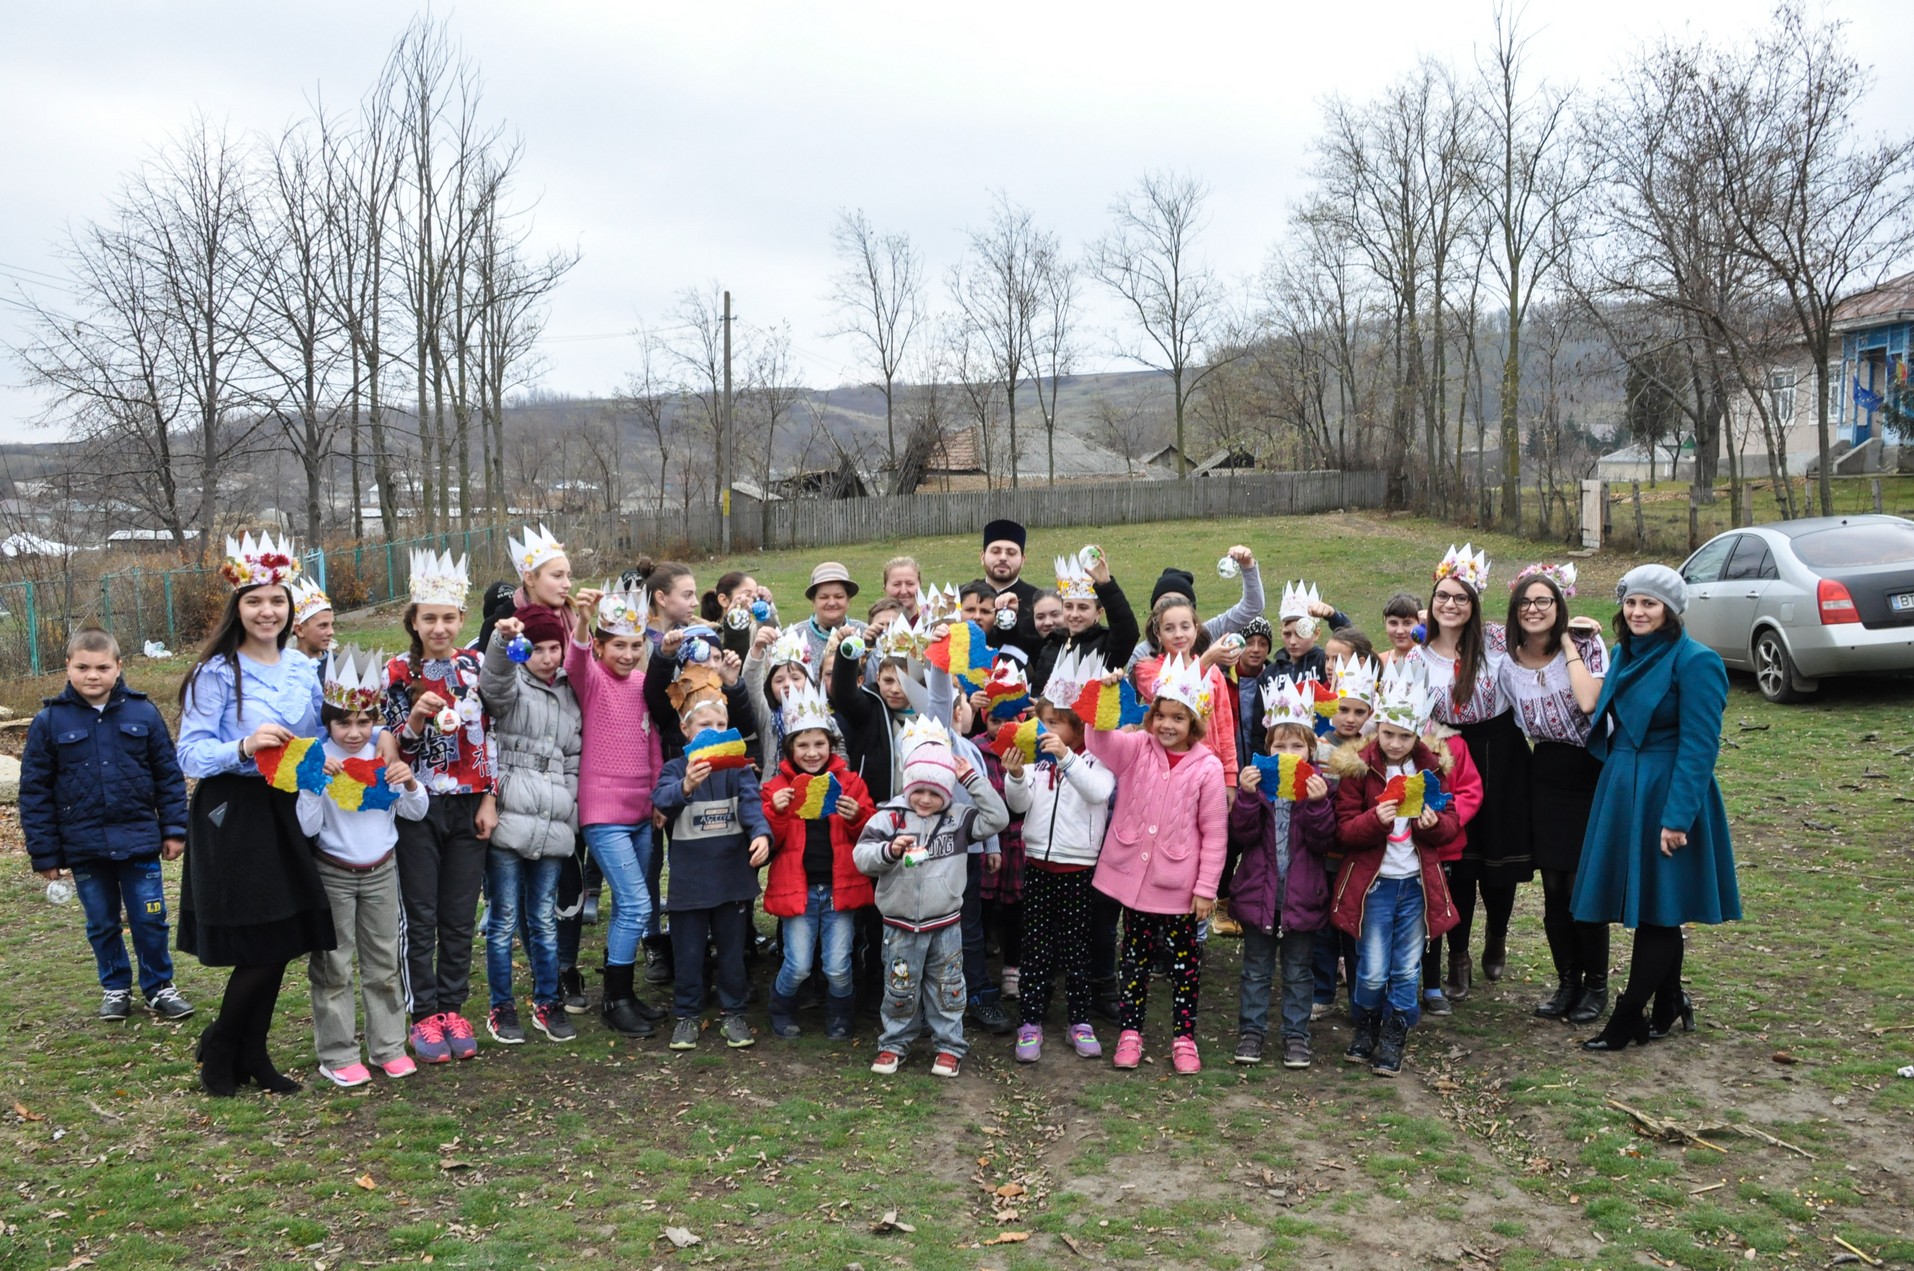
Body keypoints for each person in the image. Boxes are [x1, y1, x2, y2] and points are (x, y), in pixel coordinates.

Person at [176, 534, 338, 1097]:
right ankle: (224, 1049)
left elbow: (319, 737)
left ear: (290, 607)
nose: (266, 611)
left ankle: (249, 1051)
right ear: (237, 608)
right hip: (234, 812)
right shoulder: (217, 672)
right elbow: (190, 753)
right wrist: (243, 747)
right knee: (261, 940)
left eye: (276, 600)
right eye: (254, 601)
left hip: (288, 804)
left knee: (284, 936)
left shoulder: (302, 666)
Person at [1575, 565, 1738, 1051]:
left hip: (1666, 791)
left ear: (1671, 610)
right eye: (1631, 602)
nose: (1638, 611)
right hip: (1624, 786)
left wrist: (1676, 818)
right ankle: (1669, 999)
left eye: (1650, 603)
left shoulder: (1696, 662)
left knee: (1659, 912)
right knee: (1649, 903)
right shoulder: (1624, 653)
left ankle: (1627, 1017)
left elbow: (1700, 745)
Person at [22, 627, 193, 1024]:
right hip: (84, 848)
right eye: (82, 667)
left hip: (138, 843)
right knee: (101, 922)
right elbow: (35, 793)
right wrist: (45, 853)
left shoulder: (143, 713)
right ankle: (115, 987)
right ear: (68, 667)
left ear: (119, 667)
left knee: (149, 918)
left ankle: (159, 987)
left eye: (102, 667)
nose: (92, 675)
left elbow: (168, 776)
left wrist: (174, 829)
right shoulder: (49, 722)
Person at [1328, 660, 1469, 1079]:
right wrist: (1377, 818)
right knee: (1371, 970)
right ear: (1377, 726)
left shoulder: (1431, 770)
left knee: (1406, 968)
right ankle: (1367, 1021)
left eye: (1404, 736)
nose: (1394, 742)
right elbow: (1345, 832)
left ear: (1417, 733)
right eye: (1388, 733)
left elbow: (1450, 823)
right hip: (1375, 886)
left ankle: (1394, 1032)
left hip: (1415, 885)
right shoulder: (1359, 768)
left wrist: (1433, 823)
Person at [1088, 655, 1228, 1075]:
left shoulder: (1207, 767)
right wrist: (1108, 694)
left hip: (1180, 887)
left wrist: (1206, 888)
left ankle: (1183, 1036)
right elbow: (1098, 740)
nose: (1167, 725)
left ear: (1194, 723)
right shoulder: (1136, 749)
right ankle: (1130, 1033)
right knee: (1134, 960)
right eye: (1161, 716)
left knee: (1185, 966)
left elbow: (1215, 833)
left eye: (1178, 718)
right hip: (1136, 885)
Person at [384, 550, 498, 1064]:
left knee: (458, 913)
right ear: (413, 620)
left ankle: (453, 1006)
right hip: (419, 808)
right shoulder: (395, 672)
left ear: (461, 619)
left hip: (469, 805)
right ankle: (423, 1013)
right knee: (421, 913)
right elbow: (391, 751)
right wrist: (413, 721)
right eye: (428, 617)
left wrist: (490, 797)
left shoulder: (475, 667)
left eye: (448, 617)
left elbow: (491, 737)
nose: (439, 627)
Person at [299, 647, 429, 1087]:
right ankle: (336, 1053)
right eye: (343, 723)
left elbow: (415, 812)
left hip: (380, 871)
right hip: (333, 870)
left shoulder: (384, 750)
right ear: (329, 720)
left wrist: (409, 781)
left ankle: (388, 1045)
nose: (354, 732)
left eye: (363, 721)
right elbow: (307, 825)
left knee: (383, 963)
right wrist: (315, 783)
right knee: (333, 964)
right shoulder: (317, 755)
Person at [855, 719, 1011, 1079]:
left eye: (936, 792)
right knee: (899, 987)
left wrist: (971, 779)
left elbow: (998, 818)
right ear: (908, 784)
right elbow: (861, 857)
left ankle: (949, 1047)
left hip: (946, 925)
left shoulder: (960, 819)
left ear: (948, 792)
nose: (926, 799)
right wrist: (889, 851)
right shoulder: (888, 817)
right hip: (899, 925)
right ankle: (894, 1043)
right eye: (919, 790)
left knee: (948, 989)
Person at [1409, 545, 1530, 1002]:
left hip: (1498, 749)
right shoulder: (1420, 656)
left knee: (1496, 861)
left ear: (1474, 603)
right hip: (1445, 754)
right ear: (1433, 600)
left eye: (1461, 598)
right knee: (1457, 861)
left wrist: (1580, 628)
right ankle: (1457, 955)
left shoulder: (1496, 640)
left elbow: (1540, 634)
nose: (1451, 605)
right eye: (1443, 596)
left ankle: (1496, 935)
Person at [1497, 564, 1609, 1026]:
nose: (1534, 609)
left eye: (1544, 601)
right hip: (1544, 773)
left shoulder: (1586, 646)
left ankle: (1596, 987)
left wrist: (1567, 640)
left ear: (1559, 606)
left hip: (1588, 771)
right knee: (1553, 889)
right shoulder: (1508, 661)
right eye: (1526, 602)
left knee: (1583, 885)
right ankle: (1567, 981)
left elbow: (1588, 702)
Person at [566, 584, 669, 1036]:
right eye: (618, 646)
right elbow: (575, 661)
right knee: (634, 903)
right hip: (604, 811)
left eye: (634, 645)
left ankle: (624, 993)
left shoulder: (643, 684)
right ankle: (615, 998)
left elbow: (652, 746)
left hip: (641, 811)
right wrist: (584, 621)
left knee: (639, 904)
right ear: (602, 646)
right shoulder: (593, 680)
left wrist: (658, 798)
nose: (627, 654)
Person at [478, 610, 582, 1045]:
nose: (546, 657)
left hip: (554, 816)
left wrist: (570, 809)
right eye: (536, 648)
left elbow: (574, 756)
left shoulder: (569, 694)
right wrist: (503, 644)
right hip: (510, 810)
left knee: (543, 918)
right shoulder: (513, 683)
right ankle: (501, 1006)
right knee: (502, 920)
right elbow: (493, 683)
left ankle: (547, 1001)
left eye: (554, 648)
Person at [1003, 659, 1115, 1062]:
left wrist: (1066, 758)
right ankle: (1030, 1021)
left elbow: (1098, 792)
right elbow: (1020, 806)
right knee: (1034, 948)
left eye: (1056, 722)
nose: (1046, 730)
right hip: (1038, 864)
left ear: (1078, 724)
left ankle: (1079, 1020)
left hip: (1079, 868)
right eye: (1043, 721)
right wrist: (1016, 777)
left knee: (1075, 949)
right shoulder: (1036, 758)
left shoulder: (1096, 757)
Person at [651, 690, 773, 1051]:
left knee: (733, 954)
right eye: (706, 725)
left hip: (732, 883)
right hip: (689, 886)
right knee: (688, 953)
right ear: (686, 729)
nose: (716, 731)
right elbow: (661, 801)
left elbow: (753, 806)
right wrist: (687, 785)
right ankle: (687, 1015)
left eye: (722, 725)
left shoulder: (738, 770)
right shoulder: (674, 770)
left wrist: (762, 835)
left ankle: (733, 1013)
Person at [1230, 679, 1337, 1069]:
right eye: (1280, 746)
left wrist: (1318, 803)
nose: (1288, 753)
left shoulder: (1318, 787)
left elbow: (1323, 840)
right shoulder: (1257, 786)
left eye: (1297, 746)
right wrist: (1244, 797)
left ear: (1311, 750)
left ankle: (1296, 1036)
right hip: (1260, 897)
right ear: (1267, 749)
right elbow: (1241, 835)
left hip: (1302, 899)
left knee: (1298, 973)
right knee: (1256, 971)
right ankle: (1251, 1032)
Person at [759, 681, 874, 1040]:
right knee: (797, 965)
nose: (812, 753)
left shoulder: (851, 783)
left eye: (819, 744)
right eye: (803, 745)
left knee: (839, 966)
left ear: (831, 745)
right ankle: (780, 1005)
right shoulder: (777, 788)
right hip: (799, 891)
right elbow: (770, 844)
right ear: (790, 748)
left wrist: (857, 816)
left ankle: (840, 1014)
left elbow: (869, 836)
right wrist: (775, 814)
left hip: (840, 888)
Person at [1134, 594, 1242, 787]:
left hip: (1209, 767)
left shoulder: (1214, 673)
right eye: (1169, 628)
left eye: (1185, 627)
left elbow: (1225, 728)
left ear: (1196, 629)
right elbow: (1173, 693)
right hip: (1166, 766)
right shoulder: (1147, 669)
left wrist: (1230, 778)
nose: (1178, 635)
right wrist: (1206, 660)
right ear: (1158, 634)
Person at [1125, 545, 1265, 671]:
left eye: (1180, 603)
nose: (1172, 608)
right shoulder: (1142, 654)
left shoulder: (1208, 633)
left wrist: (1248, 567)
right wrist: (1209, 659)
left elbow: (1252, 606)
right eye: (1164, 604)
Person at [1266, 581, 1350, 684]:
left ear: (1316, 633)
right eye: (1287, 634)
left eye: (1300, 633)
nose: (1292, 641)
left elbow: (1353, 643)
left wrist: (1333, 616)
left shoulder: (1326, 664)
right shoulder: (1269, 674)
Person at [980, 519, 1042, 659]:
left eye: (1011, 553)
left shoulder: (1037, 600)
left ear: (1023, 559)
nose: (1002, 558)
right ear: (982, 557)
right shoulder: (965, 596)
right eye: (995, 551)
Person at [797, 562, 861, 670]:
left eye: (839, 596)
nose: (831, 603)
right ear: (814, 600)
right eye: (824, 597)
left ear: (848, 599)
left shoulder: (863, 633)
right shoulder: (796, 636)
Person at [286, 580, 335, 661]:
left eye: (332, 625)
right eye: (323, 625)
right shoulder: (286, 668)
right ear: (300, 630)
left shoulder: (338, 665)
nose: (331, 632)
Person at [1379, 593, 1422, 666]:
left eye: (1407, 623)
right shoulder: (1378, 662)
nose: (1400, 631)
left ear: (1420, 624)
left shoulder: (1430, 662)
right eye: (1393, 623)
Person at [882, 556, 924, 621]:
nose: (903, 591)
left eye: (910, 584)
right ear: (885, 588)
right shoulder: (877, 623)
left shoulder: (935, 623)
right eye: (896, 584)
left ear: (919, 586)